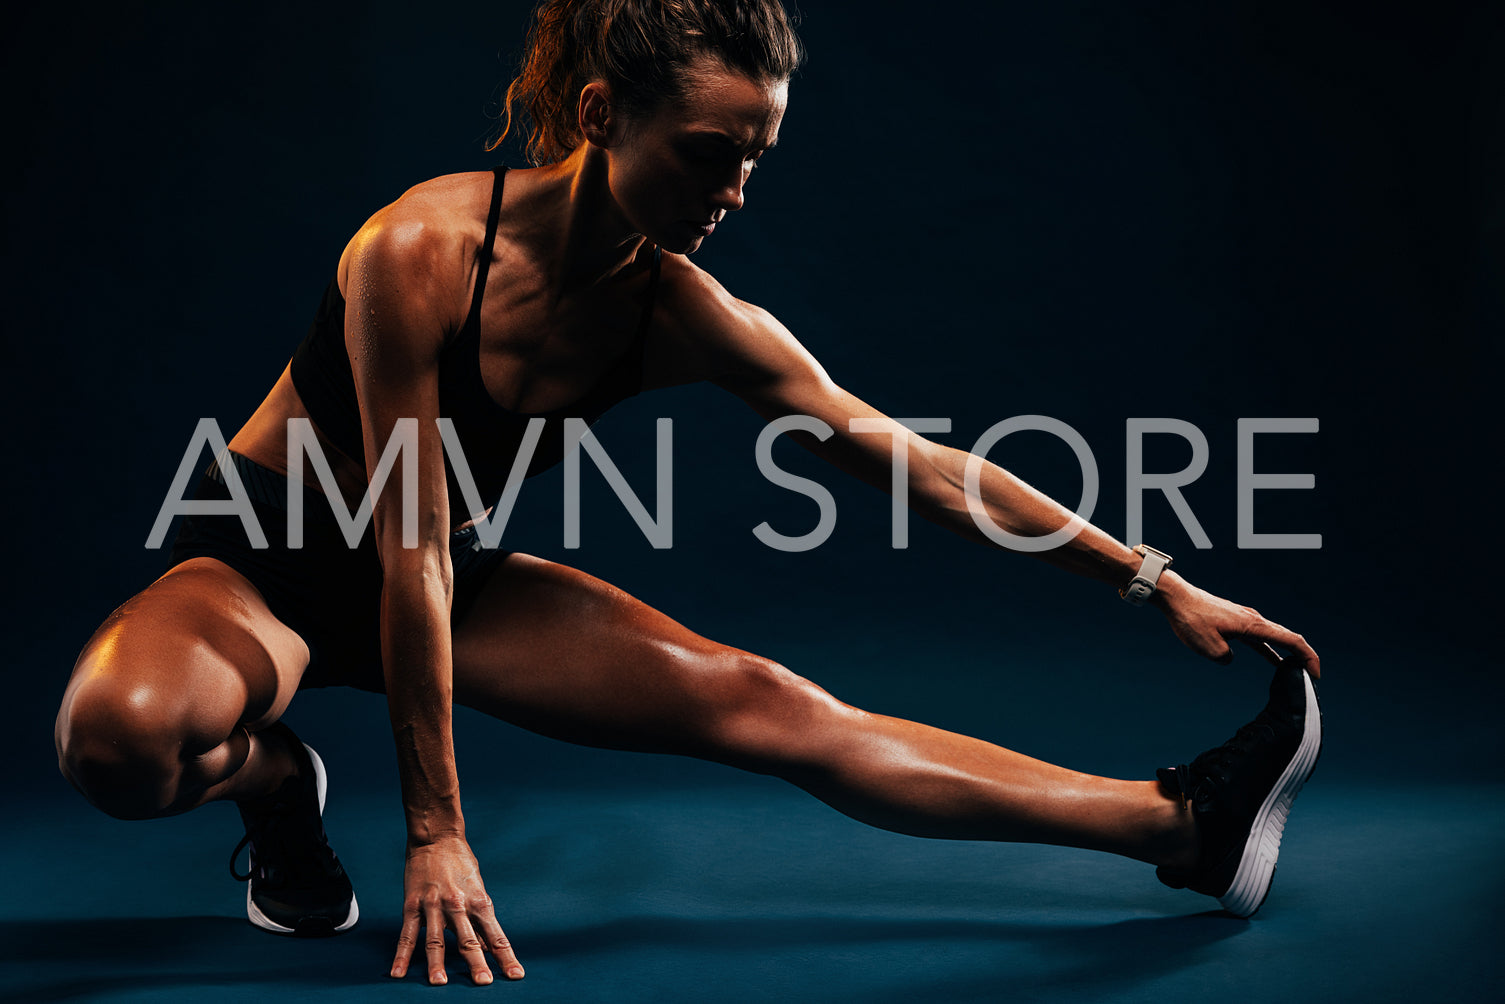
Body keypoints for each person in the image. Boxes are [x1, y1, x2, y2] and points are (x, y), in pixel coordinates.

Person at [54, 0, 1323, 988]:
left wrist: (1149, 575)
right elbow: (408, 540)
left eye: (754, 162)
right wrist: (434, 829)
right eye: (708, 154)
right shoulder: (417, 252)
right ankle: (276, 783)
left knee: (770, 703)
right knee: (114, 738)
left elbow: (916, 462)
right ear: (602, 112)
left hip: (447, 575)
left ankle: (1181, 823)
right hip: (272, 563)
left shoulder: (681, 314)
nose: (728, 193)